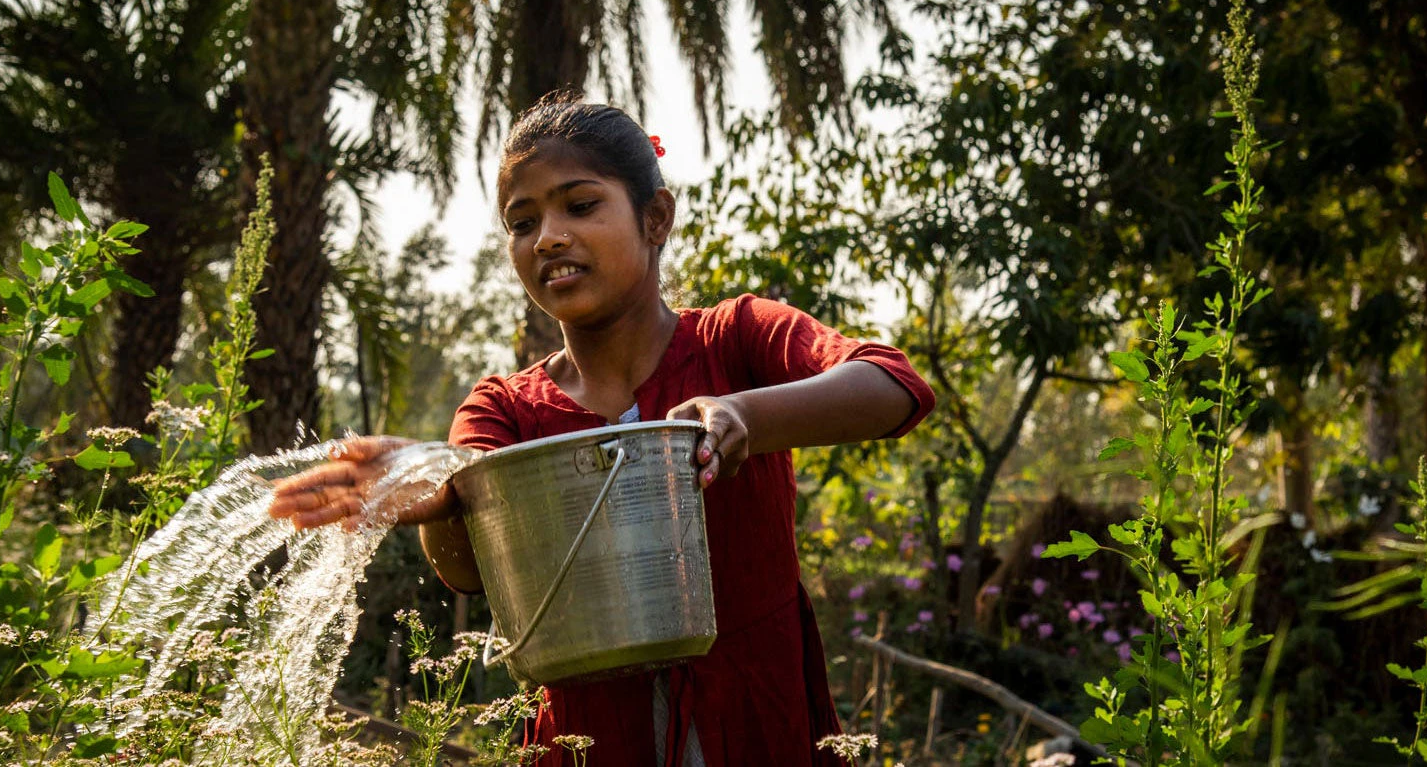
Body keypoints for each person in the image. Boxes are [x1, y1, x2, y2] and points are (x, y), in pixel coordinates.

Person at [270, 92, 935, 767]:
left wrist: (745, 416)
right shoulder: (507, 408)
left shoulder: (738, 342)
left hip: (758, 727)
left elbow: (894, 385)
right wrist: (435, 486)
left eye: (580, 206)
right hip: (588, 744)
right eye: (522, 221)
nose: (549, 237)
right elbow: (467, 567)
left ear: (656, 218)